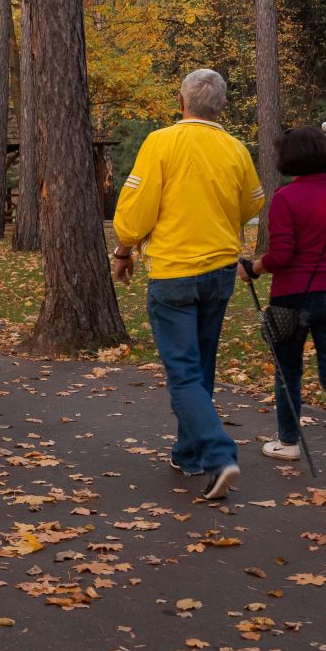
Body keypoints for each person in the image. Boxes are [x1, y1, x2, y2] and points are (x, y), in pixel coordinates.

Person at [112, 68, 266, 501]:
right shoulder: (235, 149)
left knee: (183, 371)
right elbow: (253, 199)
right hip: (219, 270)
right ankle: (189, 452)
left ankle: (219, 455)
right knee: (201, 363)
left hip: (174, 270)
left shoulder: (161, 142)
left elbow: (136, 210)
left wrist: (124, 252)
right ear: (221, 106)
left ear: (181, 102)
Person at [241, 125, 326, 477]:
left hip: (294, 297)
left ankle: (288, 443)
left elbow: (283, 254)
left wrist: (254, 267)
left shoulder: (287, 198)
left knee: (289, 372)